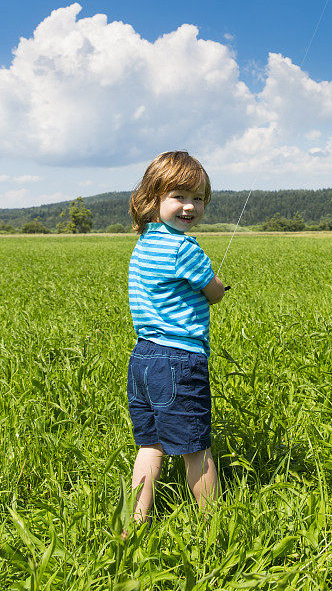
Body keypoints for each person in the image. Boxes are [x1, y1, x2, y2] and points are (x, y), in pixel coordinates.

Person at [126, 150, 226, 527]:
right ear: (153, 200)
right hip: (180, 359)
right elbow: (213, 292)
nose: (190, 206)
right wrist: (217, 286)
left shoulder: (146, 241)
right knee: (196, 450)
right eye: (179, 197)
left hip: (143, 358)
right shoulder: (185, 248)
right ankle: (214, 525)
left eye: (197, 198)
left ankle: (133, 524)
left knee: (149, 448)